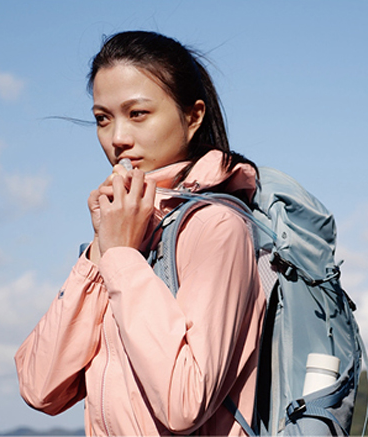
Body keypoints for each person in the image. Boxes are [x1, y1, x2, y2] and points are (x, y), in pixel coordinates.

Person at [15, 30, 266, 436]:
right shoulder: (127, 233)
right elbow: (40, 388)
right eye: (102, 118)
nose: (117, 138)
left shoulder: (217, 227)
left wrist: (120, 258)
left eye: (137, 114)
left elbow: (183, 401)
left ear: (193, 116)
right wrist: (102, 251)